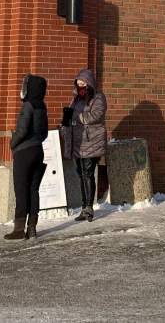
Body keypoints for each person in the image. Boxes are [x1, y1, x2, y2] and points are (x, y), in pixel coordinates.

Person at [6, 74, 48, 240]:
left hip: (24, 152)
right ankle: (32, 227)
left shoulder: (27, 106)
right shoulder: (42, 106)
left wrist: (12, 142)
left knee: (21, 190)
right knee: (33, 189)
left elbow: (22, 130)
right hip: (38, 150)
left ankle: (18, 229)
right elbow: (44, 133)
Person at [67, 69, 107, 223]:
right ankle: (84, 207)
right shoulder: (76, 99)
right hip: (77, 143)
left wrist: (79, 117)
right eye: (78, 83)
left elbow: (96, 115)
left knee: (88, 174)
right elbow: (69, 116)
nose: (80, 85)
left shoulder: (98, 97)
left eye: (83, 83)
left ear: (89, 83)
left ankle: (89, 208)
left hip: (91, 142)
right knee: (81, 175)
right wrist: (65, 123)